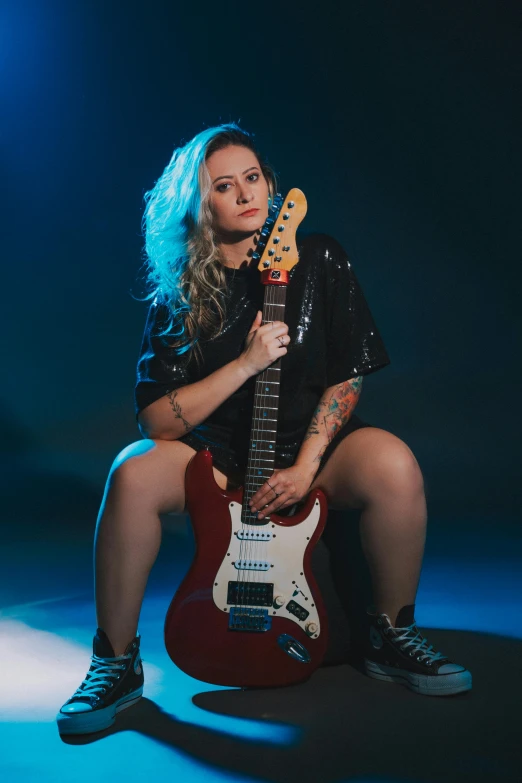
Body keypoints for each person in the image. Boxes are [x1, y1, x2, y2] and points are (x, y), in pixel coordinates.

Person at [56, 123, 472, 735]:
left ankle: (392, 635)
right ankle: (115, 662)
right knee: (132, 472)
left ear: (272, 186)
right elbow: (155, 417)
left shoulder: (321, 256)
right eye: (225, 186)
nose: (246, 194)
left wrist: (305, 467)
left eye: (253, 178)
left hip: (311, 445)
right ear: (201, 207)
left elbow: (348, 373)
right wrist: (247, 363)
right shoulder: (182, 291)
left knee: (394, 463)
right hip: (219, 455)